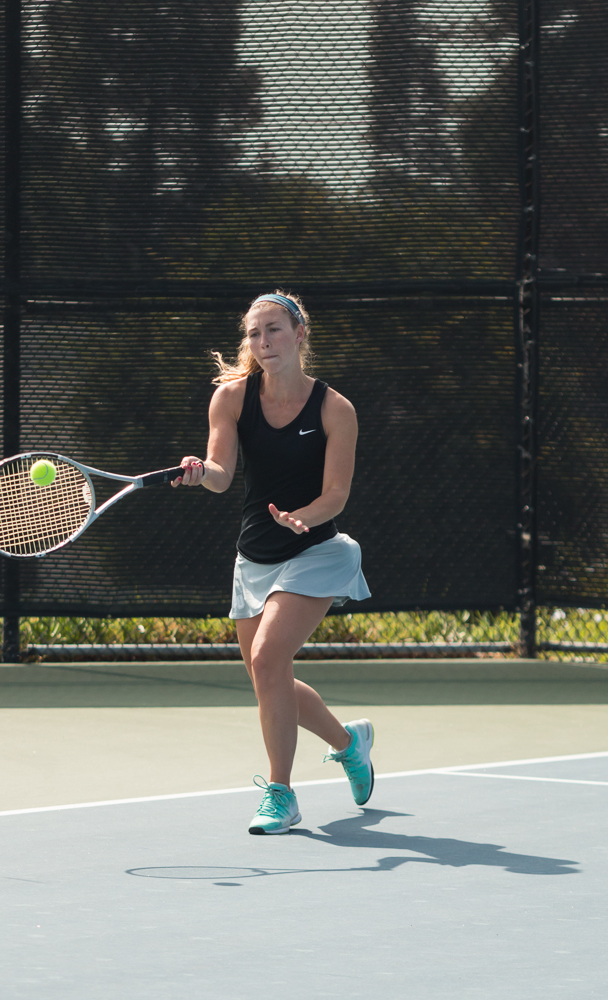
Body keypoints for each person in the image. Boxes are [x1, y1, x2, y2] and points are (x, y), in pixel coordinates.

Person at [173, 291, 373, 834]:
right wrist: (199, 470)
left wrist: (301, 517)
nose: (264, 343)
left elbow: (336, 495)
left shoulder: (335, 409)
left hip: (316, 550)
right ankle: (350, 744)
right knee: (269, 677)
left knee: (267, 659)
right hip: (254, 557)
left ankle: (281, 794)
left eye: (275, 330)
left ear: (300, 333)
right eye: (255, 334)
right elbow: (219, 474)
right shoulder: (231, 400)